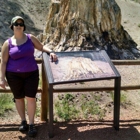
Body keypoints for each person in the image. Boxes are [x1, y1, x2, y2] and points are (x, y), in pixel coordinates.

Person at [0, 16, 57, 137]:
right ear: (12, 26)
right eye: (16, 24)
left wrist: (50, 51)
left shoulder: (31, 38)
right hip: (13, 75)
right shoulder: (8, 43)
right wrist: (2, 78)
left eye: (21, 23)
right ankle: (23, 121)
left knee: (31, 98)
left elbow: (41, 47)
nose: (19, 25)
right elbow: (4, 61)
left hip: (31, 74)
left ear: (23, 26)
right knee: (18, 98)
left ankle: (31, 124)